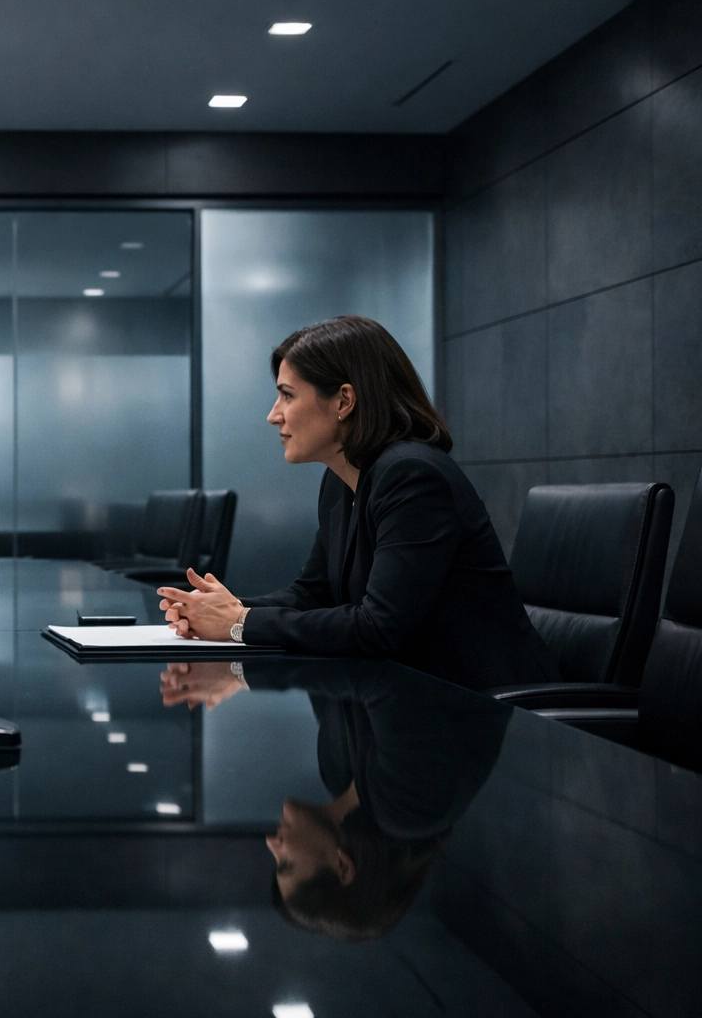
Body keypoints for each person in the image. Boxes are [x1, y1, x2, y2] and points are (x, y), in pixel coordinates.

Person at [156, 315, 557, 690]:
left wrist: (240, 622)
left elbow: (379, 627)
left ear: (344, 401)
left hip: (490, 713)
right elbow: (313, 593)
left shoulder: (413, 476)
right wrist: (218, 611)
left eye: (287, 396)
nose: (273, 415)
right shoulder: (341, 478)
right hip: (410, 701)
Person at [160, 658, 509, 941]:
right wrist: (240, 670)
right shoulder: (413, 809)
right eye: (286, 863)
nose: (272, 843)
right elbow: (378, 672)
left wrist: (234, 627)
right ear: (342, 866)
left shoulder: (337, 774)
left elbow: (324, 658)